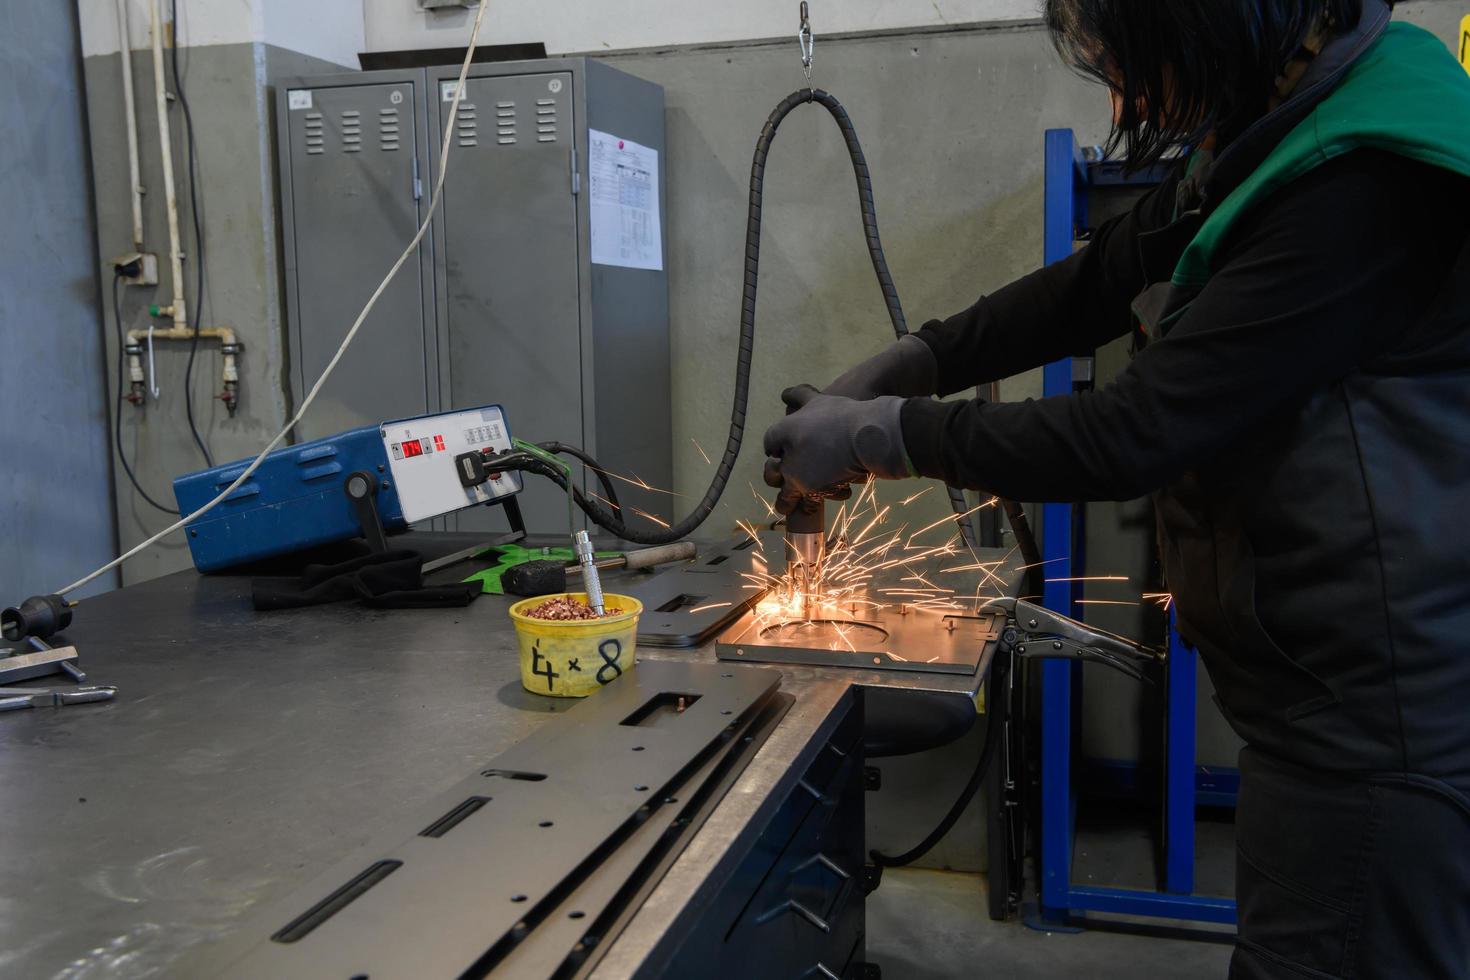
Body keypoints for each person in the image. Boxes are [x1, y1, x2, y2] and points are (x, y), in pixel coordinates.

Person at [762, 1, 1470, 976]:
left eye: (1132, 60)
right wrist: (906, 363)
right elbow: (1092, 286)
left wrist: (886, 434)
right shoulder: (1281, 114)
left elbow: (1134, 432)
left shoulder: (1370, 175)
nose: (1125, 93)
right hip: (1314, 697)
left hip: (1382, 723)